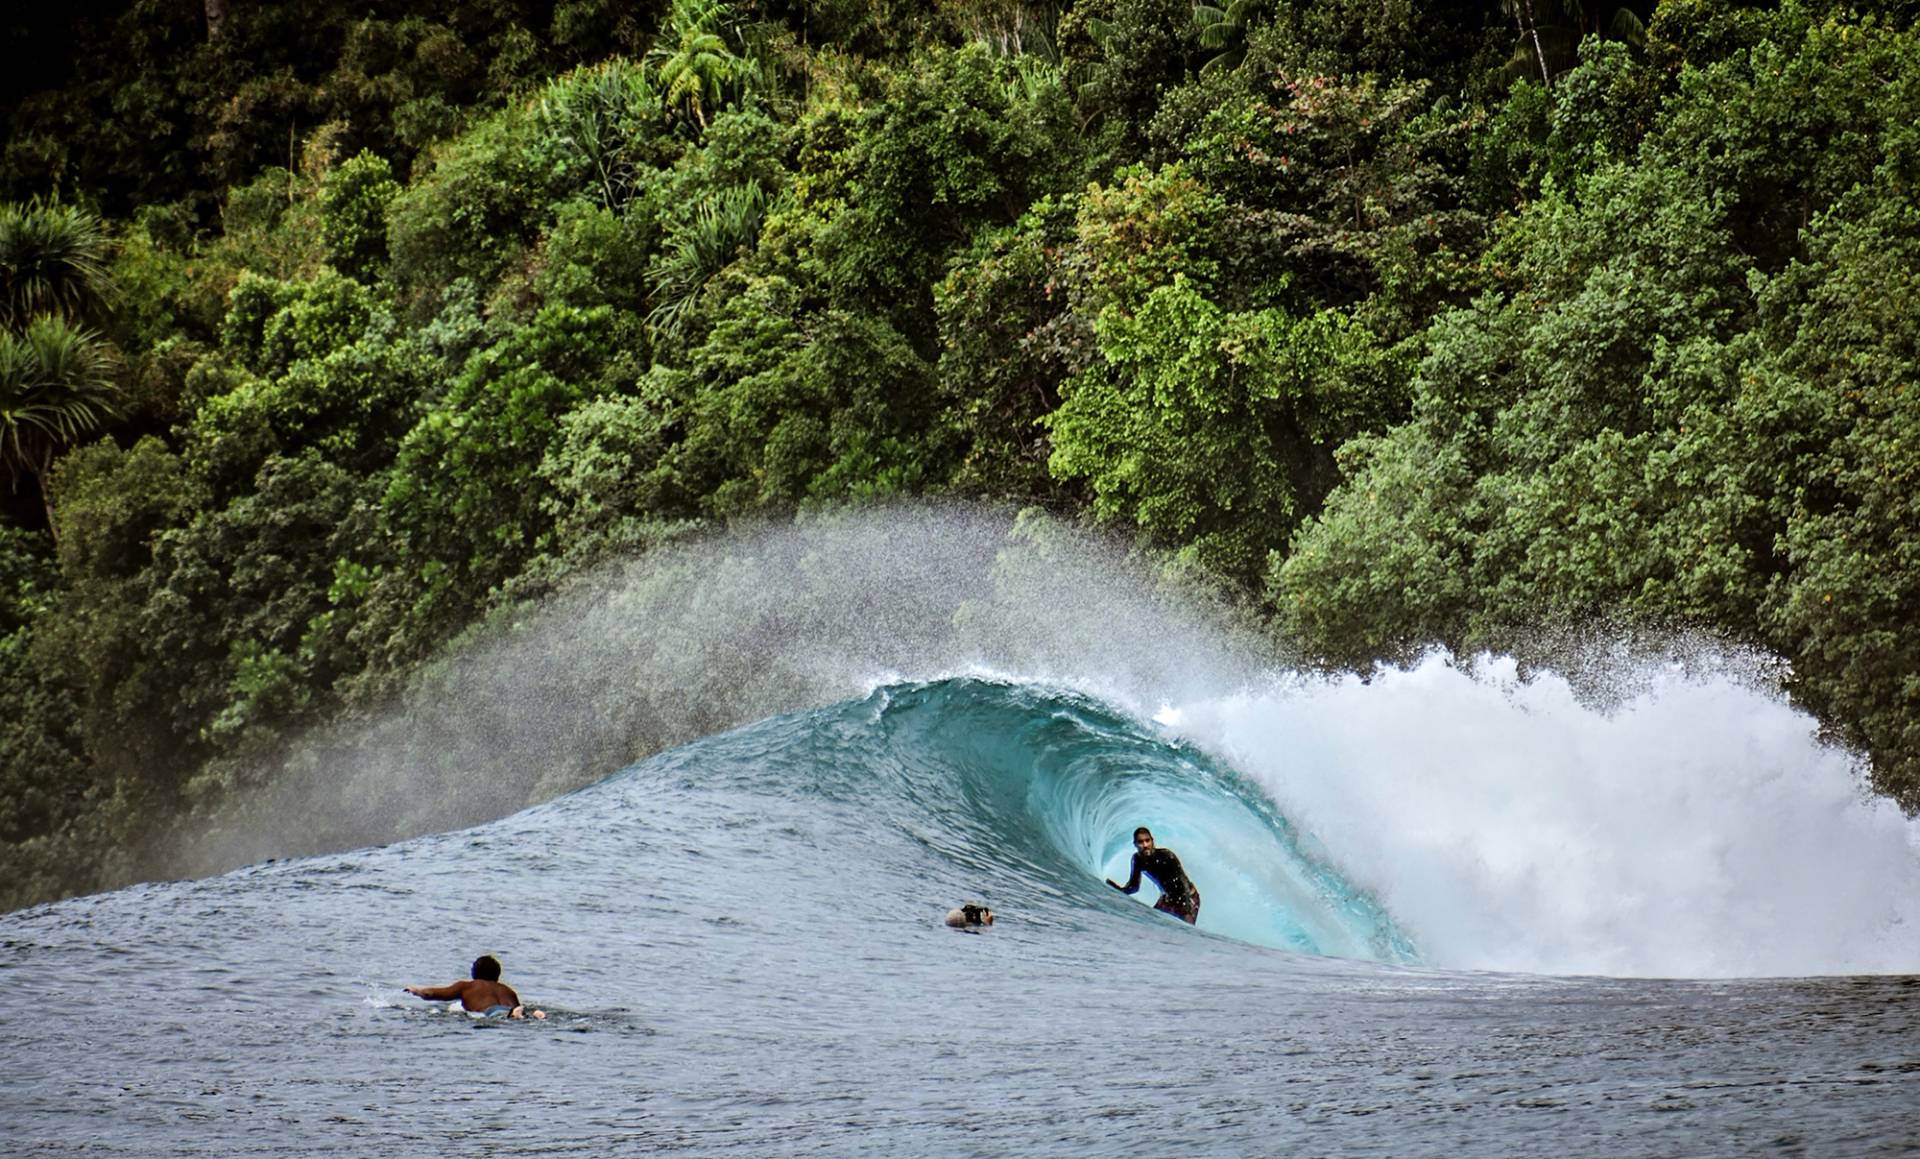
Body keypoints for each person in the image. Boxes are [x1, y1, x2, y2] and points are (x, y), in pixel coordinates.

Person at [1107, 826, 1201, 924]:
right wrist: (1117, 890)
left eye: (1147, 840)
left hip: (1189, 897)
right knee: (1151, 923)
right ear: (1135, 844)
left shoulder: (1167, 855)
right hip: (1168, 898)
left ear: (1152, 841)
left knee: (1186, 929)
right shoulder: (1137, 860)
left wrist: (1187, 911)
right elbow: (1134, 887)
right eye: (1140, 842)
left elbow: (1183, 883)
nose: (1145, 845)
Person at [405, 955, 547, 1019]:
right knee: (519, 1015)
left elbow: (436, 994)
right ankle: (534, 1014)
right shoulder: (507, 990)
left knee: (504, 1016)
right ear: (497, 974)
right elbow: (516, 1006)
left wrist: (417, 991)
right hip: (510, 1010)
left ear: (474, 972)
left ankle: (515, 1015)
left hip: (493, 1013)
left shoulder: (467, 986)